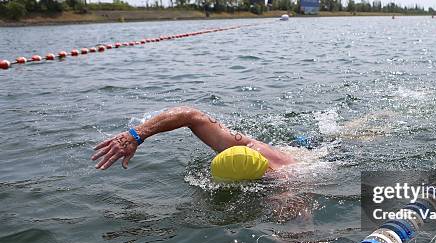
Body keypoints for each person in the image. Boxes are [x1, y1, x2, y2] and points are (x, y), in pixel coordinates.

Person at [91, 106, 296, 180]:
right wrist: (135, 135)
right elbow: (191, 115)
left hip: (307, 165)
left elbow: (299, 235)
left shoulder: (286, 187)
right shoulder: (245, 146)